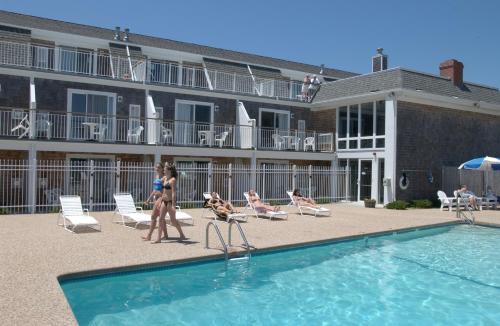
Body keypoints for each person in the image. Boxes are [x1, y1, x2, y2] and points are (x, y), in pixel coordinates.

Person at [153, 162, 187, 243]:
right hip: (164, 201)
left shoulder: (173, 180)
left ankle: (182, 234)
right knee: (161, 219)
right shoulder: (165, 178)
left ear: (169, 170)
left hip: (170, 202)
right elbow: (157, 182)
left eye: (165, 168)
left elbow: (173, 193)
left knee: (173, 220)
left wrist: (173, 206)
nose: (163, 169)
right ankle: (158, 239)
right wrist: (158, 191)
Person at [142, 163, 165, 241]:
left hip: (161, 199)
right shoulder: (157, 176)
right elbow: (155, 190)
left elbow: (167, 190)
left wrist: (161, 194)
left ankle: (149, 236)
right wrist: (149, 199)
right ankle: (166, 235)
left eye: (158, 167)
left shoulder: (164, 178)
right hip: (156, 199)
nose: (157, 169)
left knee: (153, 217)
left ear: (162, 169)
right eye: (156, 167)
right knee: (161, 218)